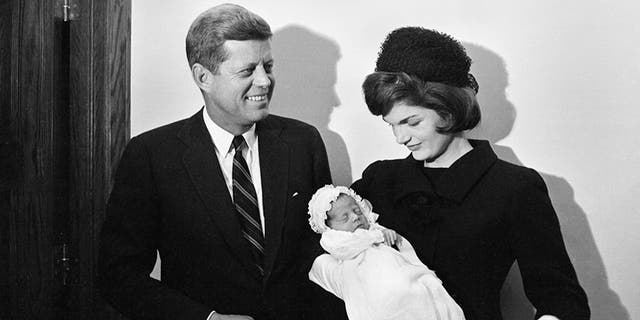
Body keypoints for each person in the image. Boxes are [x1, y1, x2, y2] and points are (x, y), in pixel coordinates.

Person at [98, 4, 345, 320]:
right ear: (203, 77)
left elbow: (325, 253)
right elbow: (118, 276)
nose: (265, 81)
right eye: (247, 71)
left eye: (267, 67)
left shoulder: (303, 143)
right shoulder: (151, 155)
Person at [351, 27, 590, 320]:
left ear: (448, 111)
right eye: (392, 125)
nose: (401, 138)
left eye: (412, 122)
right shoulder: (379, 180)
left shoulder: (514, 188)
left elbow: (561, 298)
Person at [307, 185, 466, 320]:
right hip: (369, 280)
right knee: (388, 301)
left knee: (418, 292)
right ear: (329, 228)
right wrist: (375, 236)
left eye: (357, 211)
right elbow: (348, 247)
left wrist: (386, 233)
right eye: (344, 218)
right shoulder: (336, 240)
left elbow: (395, 243)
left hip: (397, 271)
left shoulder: (373, 229)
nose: (355, 217)